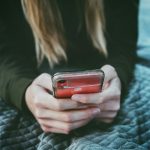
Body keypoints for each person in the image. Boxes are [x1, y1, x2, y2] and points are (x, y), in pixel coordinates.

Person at [0, 0, 138, 134]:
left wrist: (117, 79)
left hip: (101, 73)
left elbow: (124, 44)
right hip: (27, 70)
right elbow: (4, 53)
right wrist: (25, 93)